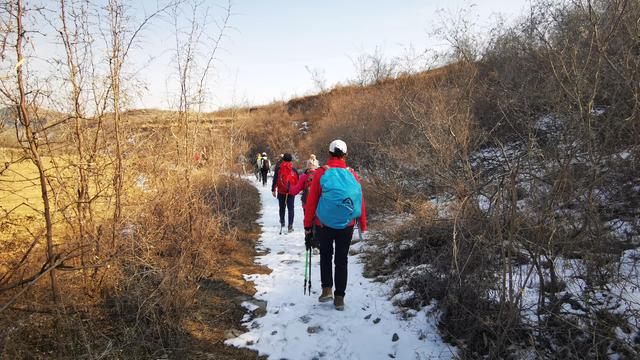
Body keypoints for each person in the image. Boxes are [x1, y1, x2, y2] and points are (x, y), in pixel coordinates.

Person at [303, 140, 366, 311]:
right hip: (347, 224)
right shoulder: (352, 174)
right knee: (341, 260)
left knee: (325, 256)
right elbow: (360, 201)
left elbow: (312, 202)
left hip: (324, 224)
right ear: (345, 155)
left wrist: (307, 225)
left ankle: (327, 290)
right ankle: (339, 298)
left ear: (329, 153)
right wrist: (363, 224)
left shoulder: (322, 173)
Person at [271, 153, 299, 233]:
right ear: (291, 160)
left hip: (281, 191)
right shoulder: (294, 169)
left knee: (282, 207)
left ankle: (282, 221)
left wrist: (273, 189)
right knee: (291, 208)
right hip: (291, 191)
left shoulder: (279, 168)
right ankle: (290, 226)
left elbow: (275, 179)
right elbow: (297, 181)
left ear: (283, 159)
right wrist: (296, 190)